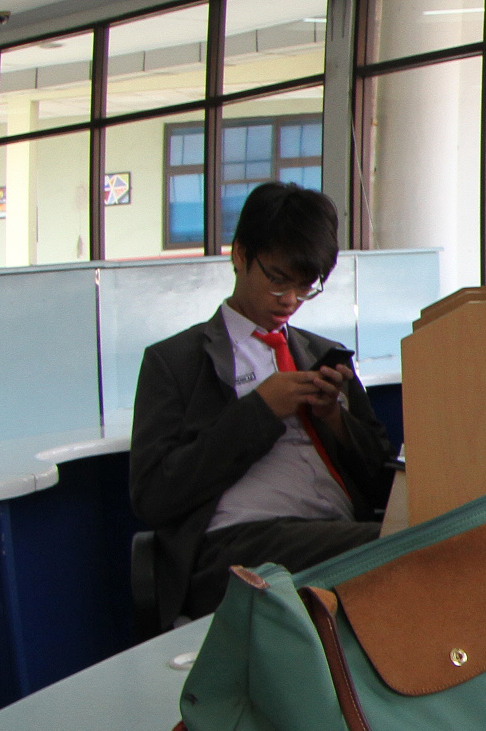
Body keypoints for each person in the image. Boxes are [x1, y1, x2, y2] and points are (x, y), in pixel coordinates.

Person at [130, 182, 395, 628]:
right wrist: (260, 410)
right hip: (237, 545)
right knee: (406, 547)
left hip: (338, 527)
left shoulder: (323, 354)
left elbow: (382, 485)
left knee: (434, 537)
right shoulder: (176, 361)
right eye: (277, 280)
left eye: (305, 287)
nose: (289, 300)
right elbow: (154, 495)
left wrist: (335, 419)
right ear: (240, 255)